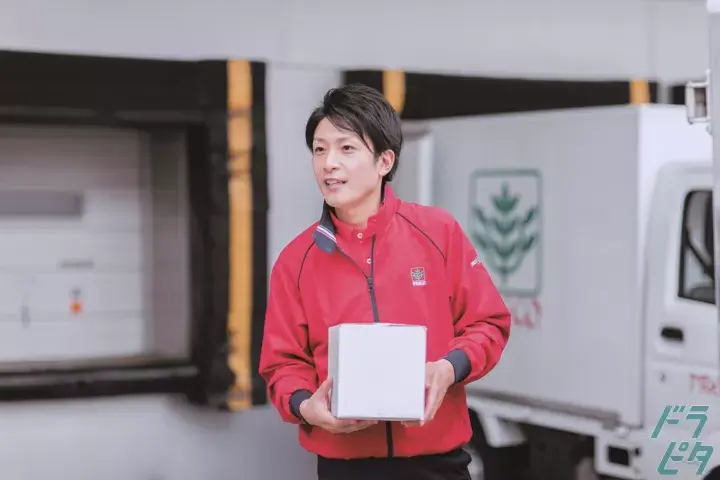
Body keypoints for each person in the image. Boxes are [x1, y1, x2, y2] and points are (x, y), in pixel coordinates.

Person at [258, 83, 512, 480]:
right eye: (319, 150)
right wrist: (306, 406)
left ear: (384, 161)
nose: (328, 164)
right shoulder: (296, 261)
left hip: (438, 465)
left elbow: (489, 323)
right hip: (345, 468)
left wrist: (448, 368)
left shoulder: (438, 232)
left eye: (346, 148)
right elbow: (282, 364)